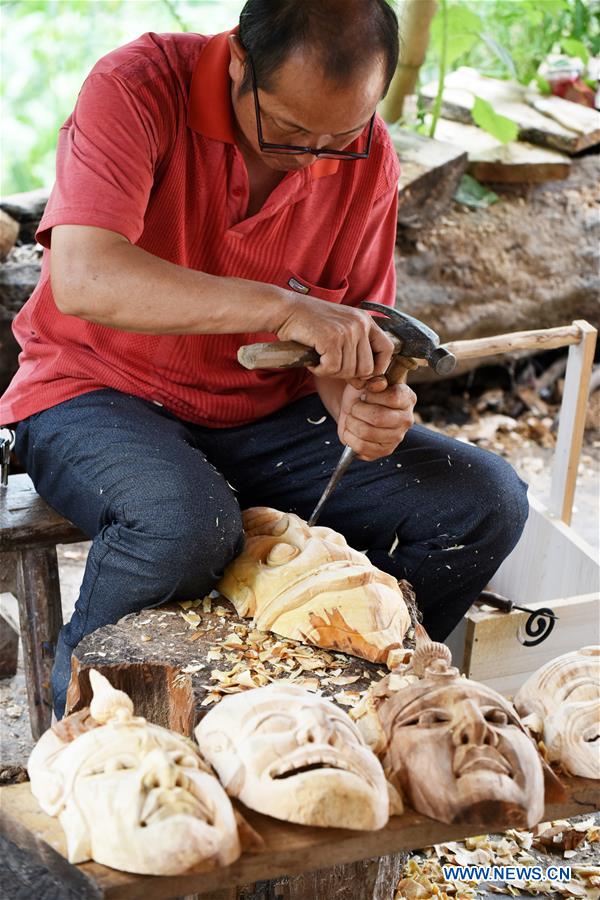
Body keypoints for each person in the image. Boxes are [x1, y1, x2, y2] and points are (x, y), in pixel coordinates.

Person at [0, 0, 528, 719]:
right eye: (287, 129)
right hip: (94, 392)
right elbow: (87, 276)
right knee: (184, 525)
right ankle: (94, 743)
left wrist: (361, 405)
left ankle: (322, 712)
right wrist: (280, 305)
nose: (313, 157)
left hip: (265, 416)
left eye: (338, 136)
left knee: (481, 500)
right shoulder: (138, 86)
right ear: (239, 60)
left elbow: (348, 340)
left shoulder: (366, 152)